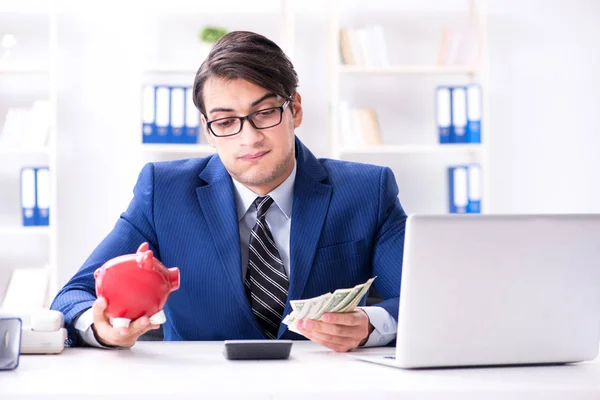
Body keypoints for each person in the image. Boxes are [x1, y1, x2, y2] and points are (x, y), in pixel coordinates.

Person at [51, 31, 407, 352]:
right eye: (225, 122)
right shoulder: (164, 192)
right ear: (208, 130)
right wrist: (101, 329)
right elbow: (73, 295)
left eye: (265, 112)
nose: (248, 138)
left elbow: (421, 300)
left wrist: (370, 324)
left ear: (295, 109)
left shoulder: (367, 190)